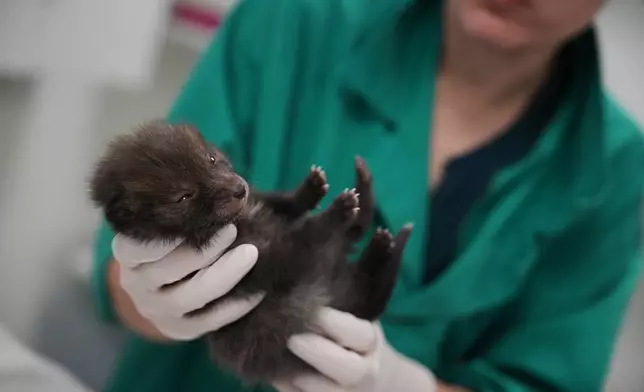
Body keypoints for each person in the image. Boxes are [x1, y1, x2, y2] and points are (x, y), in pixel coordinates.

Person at [91, 0, 644, 391]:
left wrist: (408, 388)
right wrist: (152, 298)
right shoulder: (293, 17)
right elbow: (120, 267)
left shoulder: (619, 169)